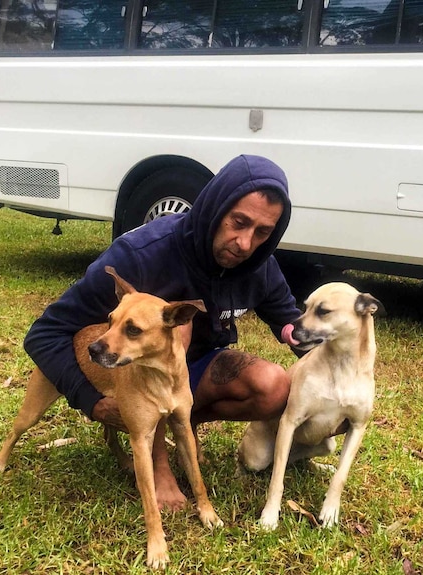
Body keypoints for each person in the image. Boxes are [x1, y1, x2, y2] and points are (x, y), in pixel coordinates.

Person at [23, 155, 301, 510]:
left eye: (262, 232)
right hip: (144, 373)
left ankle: (178, 421)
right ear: (215, 209)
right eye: (239, 222)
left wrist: (333, 372)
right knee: (178, 331)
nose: (245, 243)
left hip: (192, 373)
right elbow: (44, 333)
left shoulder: (259, 265)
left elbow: (289, 323)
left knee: (273, 386)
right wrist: (89, 400)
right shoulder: (140, 254)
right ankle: (159, 460)